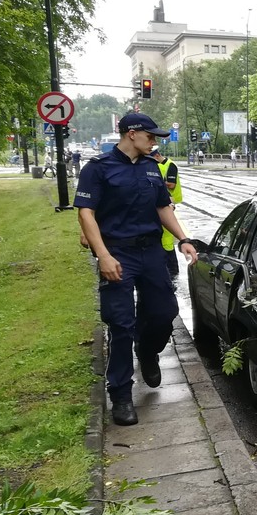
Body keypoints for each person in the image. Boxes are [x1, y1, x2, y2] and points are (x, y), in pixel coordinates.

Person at [74, 113, 198, 426]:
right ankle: (120, 394)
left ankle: (147, 350)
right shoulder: (98, 169)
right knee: (120, 324)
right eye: (151, 136)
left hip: (151, 251)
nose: (155, 142)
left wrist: (183, 238)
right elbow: (86, 215)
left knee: (164, 311)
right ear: (132, 133)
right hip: (116, 252)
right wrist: (102, 255)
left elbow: (162, 208)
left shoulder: (151, 168)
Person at [150, 147, 184, 275]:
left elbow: (171, 184)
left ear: (157, 155)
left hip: (169, 203)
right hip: (160, 202)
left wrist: (155, 182)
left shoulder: (170, 165)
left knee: (167, 236)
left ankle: (172, 269)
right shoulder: (156, 165)